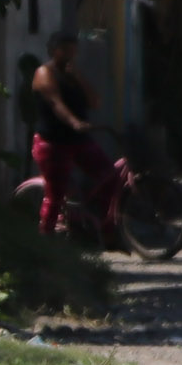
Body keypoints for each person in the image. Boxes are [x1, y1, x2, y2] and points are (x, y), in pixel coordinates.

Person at [28, 35, 120, 235]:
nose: (71, 55)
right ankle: (46, 236)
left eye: (73, 50)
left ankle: (104, 226)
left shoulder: (72, 75)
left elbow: (95, 102)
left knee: (110, 177)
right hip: (53, 142)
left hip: (78, 140)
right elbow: (55, 103)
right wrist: (74, 122)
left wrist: (79, 77)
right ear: (54, 51)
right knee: (56, 194)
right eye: (66, 50)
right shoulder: (44, 73)